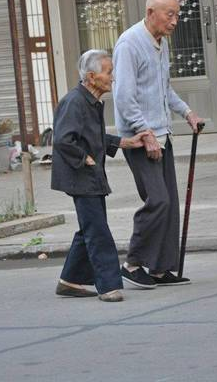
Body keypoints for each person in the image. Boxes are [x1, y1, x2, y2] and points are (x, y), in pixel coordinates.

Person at [112, 0, 205, 289]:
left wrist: (187, 113)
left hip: (161, 135)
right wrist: (145, 132)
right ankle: (132, 262)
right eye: (170, 14)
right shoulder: (129, 44)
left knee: (170, 203)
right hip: (140, 140)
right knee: (158, 201)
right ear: (151, 12)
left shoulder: (160, 42)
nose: (175, 20)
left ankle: (160, 268)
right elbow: (124, 98)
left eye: (177, 14)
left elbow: (163, 89)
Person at [51, 49, 148, 302]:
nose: (112, 77)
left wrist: (125, 143)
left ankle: (69, 280)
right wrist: (85, 158)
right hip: (80, 175)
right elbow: (62, 139)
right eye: (108, 72)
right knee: (98, 231)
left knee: (90, 229)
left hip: (90, 174)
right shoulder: (74, 102)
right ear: (92, 77)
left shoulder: (91, 101)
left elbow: (93, 137)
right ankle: (107, 286)